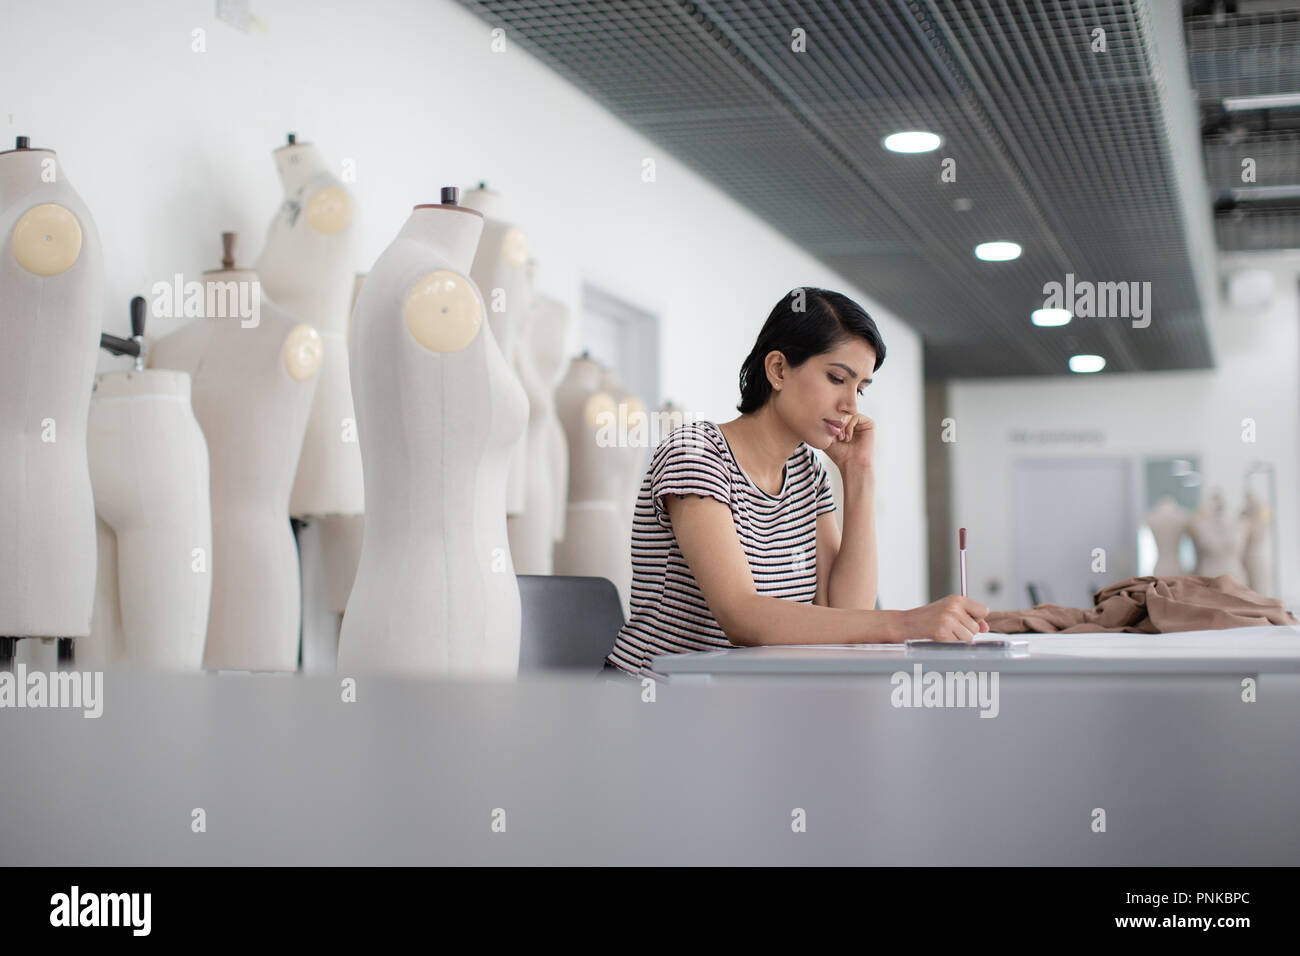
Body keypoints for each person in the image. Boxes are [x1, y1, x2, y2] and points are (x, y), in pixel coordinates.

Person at [602, 288, 988, 681]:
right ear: (778, 370)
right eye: (837, 378)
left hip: (743, 705)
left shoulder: (807, 472)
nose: (851, 405)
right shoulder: (696, 454)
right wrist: (906, 623)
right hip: (653, 700)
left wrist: (858, 475)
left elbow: (845, 616)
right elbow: (741, 618)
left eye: (861, 389)